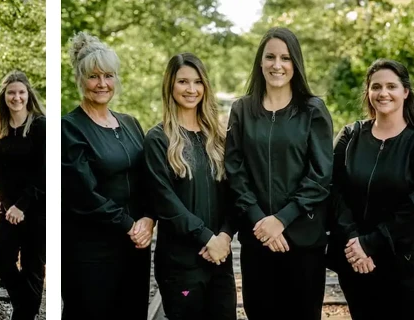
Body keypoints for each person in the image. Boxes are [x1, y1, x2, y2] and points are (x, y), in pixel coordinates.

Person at [224, 27, 333, 320]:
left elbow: (321, 175)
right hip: (257, 238)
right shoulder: (242, 110)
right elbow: (235, 171)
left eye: (285, 58)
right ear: (260, 62)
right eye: (270, 57)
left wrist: (282, 219)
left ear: (295, 63)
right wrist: (260, 220)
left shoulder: (313, 110)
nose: (277, 65)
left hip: (303, 240)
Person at [60, 31, 152, 320]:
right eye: (93, 77)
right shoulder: (68, 128)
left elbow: (149, 178)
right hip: (90, 249)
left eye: (108, 76)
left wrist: (148, 219)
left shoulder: (130, 123)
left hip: (135, 245)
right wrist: (129, 224)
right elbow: (83, 194)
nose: (102, 84)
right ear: (80, 79)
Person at [143, 53, 236, 320]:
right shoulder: (158, 139)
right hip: (180, 265)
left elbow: (234, 193)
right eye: (183, 81)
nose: (191, 89)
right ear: (170, 86)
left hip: (219, 259)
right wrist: (207, 237)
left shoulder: (218, 138)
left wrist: (225, 236)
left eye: (197, 82)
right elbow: (165, 201)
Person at [328, 59, 414, 320]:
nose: (383, 93)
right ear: (368, 92)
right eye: (376, 87)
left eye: (391, 86)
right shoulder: (350, 136)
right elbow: (334, 191)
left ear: (405, 91)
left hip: (403, 264)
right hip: (354, 260)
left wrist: (370, 243)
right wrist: (355, 243)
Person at [0, 70, 46, 320]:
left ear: (28, 95)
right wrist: (10, 205)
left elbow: (45, 172)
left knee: (32, 267)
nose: (16, 97)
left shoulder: (41, 126)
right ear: (4, 96)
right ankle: (25, 307)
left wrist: (23, 205)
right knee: (1, 261)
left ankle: (23, 316)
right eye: (11, 92)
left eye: (21, 92)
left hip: (38, 206)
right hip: (8, 206)